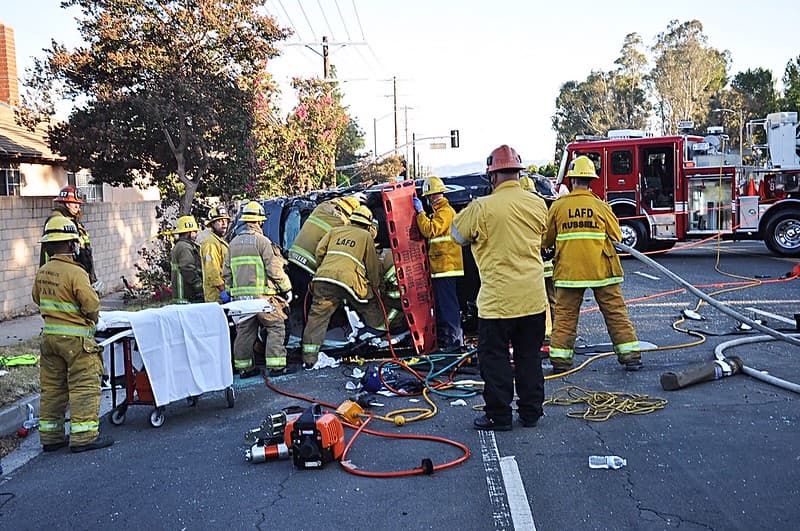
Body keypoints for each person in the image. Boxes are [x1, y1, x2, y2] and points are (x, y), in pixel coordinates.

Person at [452, 145, 549, 431]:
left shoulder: (481, 207)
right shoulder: (537, 204)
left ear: (492, 176)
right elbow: (544, 236)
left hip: (498, 302)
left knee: (495, 359)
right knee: (529, 357)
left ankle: (499, 416)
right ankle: (531, 413)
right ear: (518, 173)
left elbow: (457, 235)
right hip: (532, 299)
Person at [543, 155, 642, 374]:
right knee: (615, 313)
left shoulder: (558, 207)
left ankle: (560, 361)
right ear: (591, 181)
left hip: (569, 273)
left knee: (565, 317)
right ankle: (631, 357)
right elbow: (617, 236)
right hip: (602, 271)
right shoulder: (601, 206)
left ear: (571, 180)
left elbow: (546, 240)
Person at [32, 215, 113, 453]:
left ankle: (51, 437)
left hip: (49, 339)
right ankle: (84, 436)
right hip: (76, 342)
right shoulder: (75, 273)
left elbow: (37, 298)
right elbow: (91, 305)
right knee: (83, 386)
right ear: (71, 244)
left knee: (52, 389)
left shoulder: (43, 271)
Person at [301, 205, 385, 369]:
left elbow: (319, 251)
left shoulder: (335, 231)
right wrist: (376, 287)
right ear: (367, 224)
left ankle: (309, 358)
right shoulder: (365, 236)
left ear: (352, 220)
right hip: (349, 281)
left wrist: (324, 268)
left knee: (317, 317)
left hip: (324, 278)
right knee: (368, 305)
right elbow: (372, 265)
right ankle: (378, 337)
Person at [223, 201, 292, 377]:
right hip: (263, 299)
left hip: (241, 302)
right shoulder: (262, 242)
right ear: (260, 221)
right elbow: (273, 268)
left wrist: (231, 292)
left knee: (245, 332)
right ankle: (276, 367)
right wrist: (286, 288)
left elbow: (226, 273)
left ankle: (245, 368)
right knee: (276, 326)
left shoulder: (233, 244)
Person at [413, 176, 464, 350]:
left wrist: (420, 213)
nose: (428, 199)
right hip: (441, 267)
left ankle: (455, 342)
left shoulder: (445, 212)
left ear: (433, 195)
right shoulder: (440, 212)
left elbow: (430, 230)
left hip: (446, 267)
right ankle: (448, 340)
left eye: (428, 196)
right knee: (443, 305)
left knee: (448, 306)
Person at [287, 196, 361, 305]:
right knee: (310, 304)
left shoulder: (322, 207)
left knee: (294, 303)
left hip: (293, 257)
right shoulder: (343, 222)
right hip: (309, 265)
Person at [520, 175, 557, 346]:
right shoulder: (542, 207)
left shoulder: (521, 212)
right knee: (553, 299)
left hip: (535, 264)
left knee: (541, 301)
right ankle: (558, 332)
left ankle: (547, 333)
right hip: (549, 260)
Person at [39, 186, 97, 285]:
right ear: (64, 203)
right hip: (66, 276)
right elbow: (53, 252)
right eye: (74, 203)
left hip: (79, 274)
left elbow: (84, 251)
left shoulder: (73, 221)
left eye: (78, 204)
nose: (77, 207)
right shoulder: (57, 221)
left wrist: (91, 277)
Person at [170, 215, 204, 303]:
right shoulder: (184, 247)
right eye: (195, 232)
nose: (196, 234)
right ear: (189, 232)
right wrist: (199, 287)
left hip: (182, 296)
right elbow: (188, 269)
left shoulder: (181, 245)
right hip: (186, 296)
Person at [200, 206, 231, 304]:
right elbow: (212, 270)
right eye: (220, 221)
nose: (224, 224)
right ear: (212, 224)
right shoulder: (210, 243)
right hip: (216, 297)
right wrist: (222, 290)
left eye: (225, 221)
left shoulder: (219, 242)